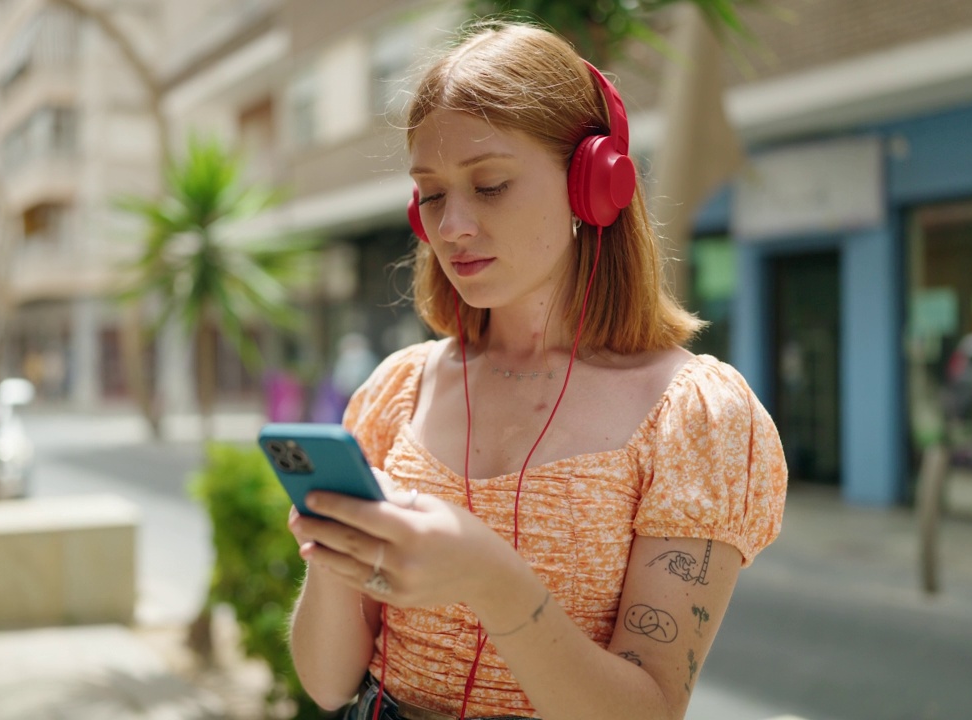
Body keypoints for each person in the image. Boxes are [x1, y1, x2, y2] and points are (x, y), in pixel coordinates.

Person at [287, 21, 787, 720]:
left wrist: (494, 583)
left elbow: (648, 709)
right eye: (430, 193)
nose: (452, 225)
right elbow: (328, 683)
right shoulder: (396, 392)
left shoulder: (694, 417)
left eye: (490, 184)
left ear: (592, 185)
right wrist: (331, 560)